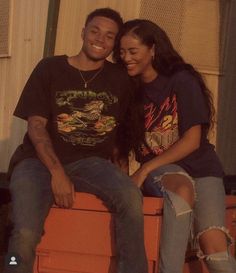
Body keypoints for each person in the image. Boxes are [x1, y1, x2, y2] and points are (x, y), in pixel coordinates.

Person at [4, 9, 148, 273]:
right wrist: (57, 172)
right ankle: (13, 268)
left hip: (91, 163)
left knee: (130, 197)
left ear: (114, 43)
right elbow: (36, 126)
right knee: (24, 233)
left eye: (109, 36)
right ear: (83, 33)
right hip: (36, 162)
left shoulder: (119, 78)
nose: (100, 39)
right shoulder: (50, 68)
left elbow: (120, 132)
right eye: (94, 31)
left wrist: (121, 174)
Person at [114, 19, 236, 273]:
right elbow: (120, 145)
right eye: (122, 52)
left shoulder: (182, 80)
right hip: (164, 173)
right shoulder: (126, 88)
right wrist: (125, 185)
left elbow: (192, 140)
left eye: (133, 51)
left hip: (202, 170)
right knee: (181, 189)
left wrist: (144, 170)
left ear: (153, 49)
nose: (126, 57)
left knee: (215, 247)